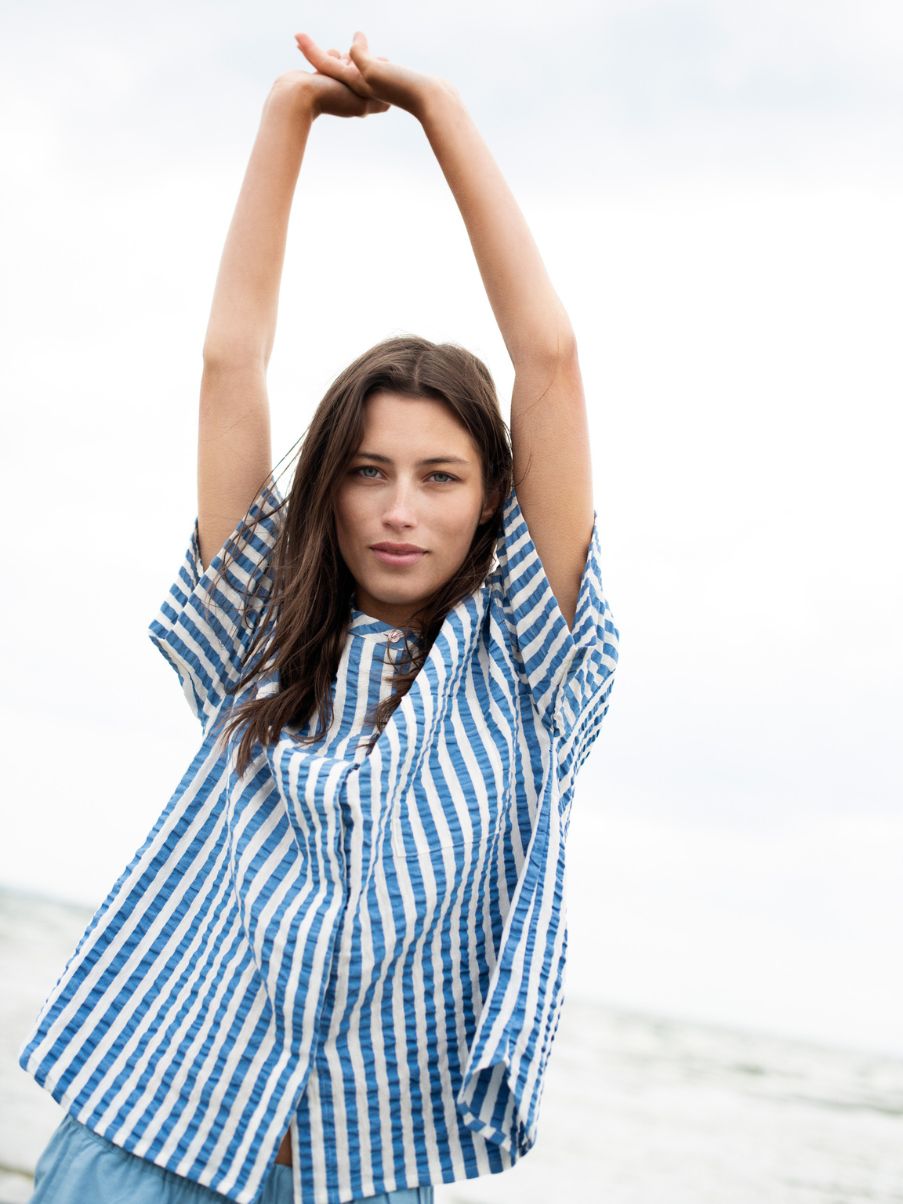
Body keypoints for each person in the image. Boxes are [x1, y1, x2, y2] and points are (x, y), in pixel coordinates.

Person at [19, 29, 621, 1204]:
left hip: (360, 1178)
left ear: (492, 497)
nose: (400, 508)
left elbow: (547, 358)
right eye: (366, 470)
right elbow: (228, 364)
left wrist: (438, 107)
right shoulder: (263, 632)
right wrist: (287, 117)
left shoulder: (531, 673)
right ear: (329, 487)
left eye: (440, 476)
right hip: (146, 1147)